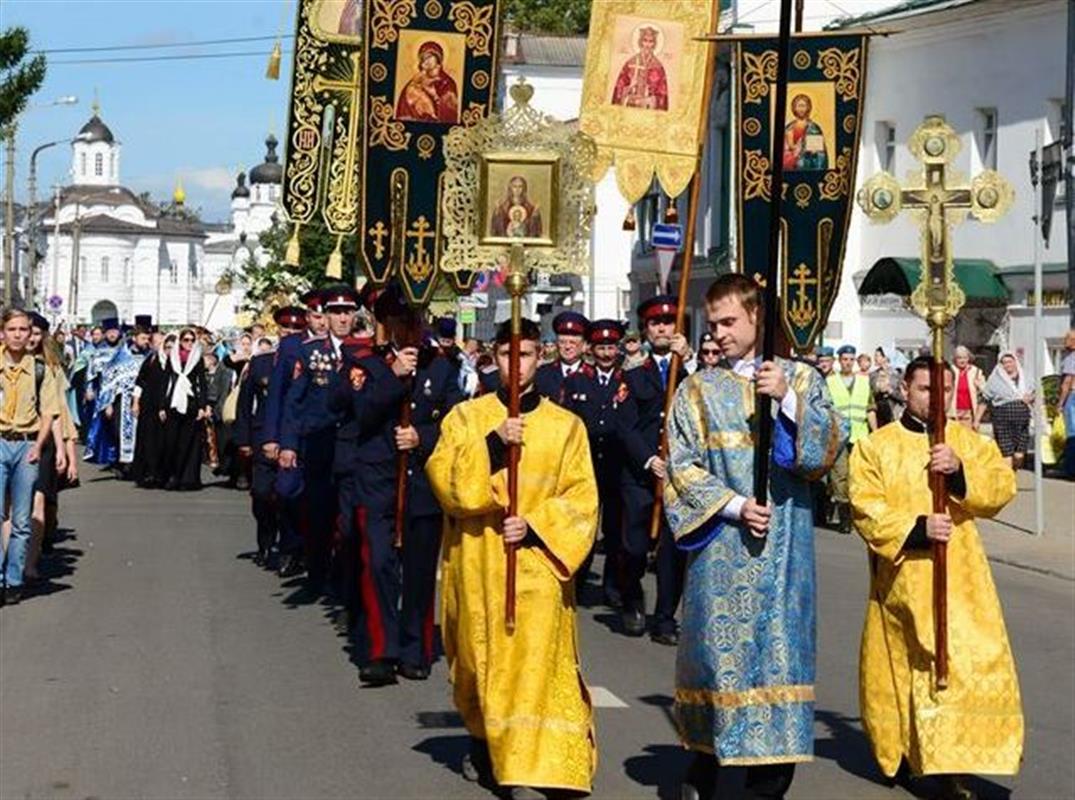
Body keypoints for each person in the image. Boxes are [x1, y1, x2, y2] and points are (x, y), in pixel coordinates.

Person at [665, 274, 843, 800]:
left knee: (778, 666)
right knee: (718, 671)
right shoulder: (697, 389)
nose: (717, 333)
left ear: (757, 319)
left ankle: (767, 788)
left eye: (728, 322)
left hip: (784, 560)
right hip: (722, 557)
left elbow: (823, 454)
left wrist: (787, 400)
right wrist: (738, 506)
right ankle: (703, 773)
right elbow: (682, 467)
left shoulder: (803, 380)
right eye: (712, 323)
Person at [426, 317, 598, 799]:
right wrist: (495, 443)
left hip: (539, 563)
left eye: (524, 355)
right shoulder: (467, 417)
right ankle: (486, 745)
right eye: (506, 355)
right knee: (482, 663)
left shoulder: (568, 427)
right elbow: (447, 483)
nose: (515, 364)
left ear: (539, 358)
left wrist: (537, 525)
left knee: (535, 664)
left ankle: (530, 765)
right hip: (480, 561)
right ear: (493, 357)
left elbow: (582, 498)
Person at [850, 357, 1023, 798]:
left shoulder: (963, 440)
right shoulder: (878, 446)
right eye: (926, 389)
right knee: (910, 668)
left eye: (944, 390)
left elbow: (1001, 486)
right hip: (904, 576)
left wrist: (960, 472)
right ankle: (908, 752)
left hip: (962, 578)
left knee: (960, 666)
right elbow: (865, 506)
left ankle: (953, 765)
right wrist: (916, 528)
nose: (936, 398)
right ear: (906, 388)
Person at [343, 285, 462, 685]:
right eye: (399, 320)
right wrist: (394, 378)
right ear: (386, 323)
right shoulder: (366, 364)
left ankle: (416, 647)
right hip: (377, 480)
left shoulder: (440, 365)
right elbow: (359, 413)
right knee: (377, 564)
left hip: (422, 483)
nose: (408, 328)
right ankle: (380, 648)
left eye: (414, 319)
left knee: (418, 569)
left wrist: (422, 437)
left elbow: (456, 420)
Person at [618, 295, 691, 644]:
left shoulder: (689, 370)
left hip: (678, 474)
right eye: (654, 323)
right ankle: (632, 599)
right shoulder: (633, 373)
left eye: (668, 322)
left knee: (672, 552)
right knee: (632, 547)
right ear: (645, 329)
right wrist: (649, 459)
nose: (662, 328)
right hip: (639, 474)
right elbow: (625, 425)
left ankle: (665, 618)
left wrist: (688, 362)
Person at [280, 286, 360, 592]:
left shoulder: (362, 352)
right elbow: (294, 402)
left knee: (349, 517)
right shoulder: (311, 353)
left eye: (348, 312)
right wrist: (288, 443)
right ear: (325, 316)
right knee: (318, 512)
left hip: (352, 447)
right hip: (318, 444)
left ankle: (344, 577)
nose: (342, 318)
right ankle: (317, 572)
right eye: (336, 312)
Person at [0, 309, 64, 606]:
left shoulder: (41, 369)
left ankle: (13, 580)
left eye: (23, 329)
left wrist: (39, 446)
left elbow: (49, 412)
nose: (17, 334)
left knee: (22, 519)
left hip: (27, 445)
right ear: (3, 332)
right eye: (11, 329)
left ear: (30, 334)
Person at [263, 289, 329, 578]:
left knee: (319, 500)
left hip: (323, 433)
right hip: (293, 432)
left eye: (326, 316)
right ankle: (291, 546)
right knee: (287, 491)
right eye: (317, 316)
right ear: (308, 317)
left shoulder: (338, 347)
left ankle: (317, 554)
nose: (323, 322)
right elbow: (277, 393)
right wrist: (272, 437)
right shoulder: (291, 346)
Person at [235, 306, 306, 569]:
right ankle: (265, 541)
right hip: (263, 435)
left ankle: (290, 547)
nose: (290, 333)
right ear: (277, 330)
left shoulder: (307, 360)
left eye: (296, 329)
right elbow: (245, 404)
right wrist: (243, 440)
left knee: (289, 496)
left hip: (293, 438)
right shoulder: (262, 362)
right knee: (262, 494)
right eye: (286, 328)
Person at [564, 319, 628, 605]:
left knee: (615, 531)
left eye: (611, 347)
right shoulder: (577, 380)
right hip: (585, 466)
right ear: (591, 349)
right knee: (582, 527)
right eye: (601, 347)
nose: (605, 354)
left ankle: (613, 586)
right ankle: (576, 582)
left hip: (616, 465)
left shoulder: (627, 379)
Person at [825, 344, 876, 533]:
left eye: (851, 359)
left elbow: (870, 409)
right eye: (844, 359)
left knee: (858, 475)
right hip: (838, 436)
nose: (848, 363)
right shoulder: (830, 382)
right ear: (839, 361)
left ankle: (856, 514)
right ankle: (845, 517)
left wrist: (875, 433)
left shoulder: (863, 381)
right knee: (840, 476)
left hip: (859, 436)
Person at [161, 328, 209, 490]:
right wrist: (162, 406)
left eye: (191, 340)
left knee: (187, 443)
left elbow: (202, 383)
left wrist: (202, 406)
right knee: (171, 442)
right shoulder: (172, 358)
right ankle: (171, 474)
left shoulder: (197, 359)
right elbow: (165, 382)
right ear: (180, 342)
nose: (189, 343)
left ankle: (185, 478)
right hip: (173, 403)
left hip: (191, 403)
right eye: (186, 340)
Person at [131, 333, 173, 488]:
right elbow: (139, 382)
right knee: (147, 441)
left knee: (163, 442)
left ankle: (163, 474)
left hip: (165, 408)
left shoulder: (175, 363)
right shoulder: (151, 360)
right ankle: (148, 473)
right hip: (149, 406)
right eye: (159, 343)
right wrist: (136, 402)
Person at [983, 352, 1034, 470]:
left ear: (1015, 362)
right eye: (1004, 362)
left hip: (1022, 421)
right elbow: (985, 399)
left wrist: (1031, 397)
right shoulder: (995, 379)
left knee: (1019, 454)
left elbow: (1036, 392)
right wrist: (976, 420)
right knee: (1006, 452)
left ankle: (1014, 470)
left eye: (1010, 361)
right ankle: (1010, 480)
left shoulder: (1025, 377)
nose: (1007, 365)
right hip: (1002, 420)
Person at [394, 40, 459, 123]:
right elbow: (403, 110)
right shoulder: (415, 81)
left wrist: (435, 96)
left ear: (438, 58)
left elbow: (450, 114)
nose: (427, 61)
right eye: (424, 58)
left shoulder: (448, 83)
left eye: (430, 57)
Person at [533, 310, 588, 403]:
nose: (567, 347)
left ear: (584, 346)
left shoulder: (593, 377)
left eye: (573, 343)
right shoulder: (541, 375)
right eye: (562, 342)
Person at [611, 25, 669, 110]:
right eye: (645, 40)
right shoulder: (630, 63)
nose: (647, 44)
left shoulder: (658, 67)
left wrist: (650, 100)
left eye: (651, 41)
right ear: (640, 42)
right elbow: (619, 90)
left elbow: (662, 96)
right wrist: (630, 86)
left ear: (654, 44)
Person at [782, 93, 828, 171]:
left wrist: (814, 153)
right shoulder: (788, 128)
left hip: (807, 167)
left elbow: (820, 155)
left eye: (803, 106)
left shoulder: (813, 128)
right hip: (790, 169)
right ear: (794, 108)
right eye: (799, 106)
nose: (801, 109)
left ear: (808, 108)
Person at [948, 345, 984, 430]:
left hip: (969, 415)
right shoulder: (949, 371)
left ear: (969, 358)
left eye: (965, 357)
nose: (962, 360)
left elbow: (985, 394)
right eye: (959, 358)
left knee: (968, 441)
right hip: (952, 414)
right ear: (955, 359)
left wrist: (980, 386)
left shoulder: (976, 372)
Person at [870, 347, 905, 427]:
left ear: (885, 357)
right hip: (878, 413)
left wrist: (890, 390)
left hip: (894, 413)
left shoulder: (897, 374)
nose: (875, 358)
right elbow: (871, 394)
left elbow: (903, 397)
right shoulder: (873, 375)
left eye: (877, 356)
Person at [1058, 330, 1075, 478]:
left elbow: (1067, 382)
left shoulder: (1071, 358)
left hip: (1073, 397)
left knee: (1072, 435)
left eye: (1067, 339)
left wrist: (1060, 404)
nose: (1065, 342)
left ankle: (1071, 469)